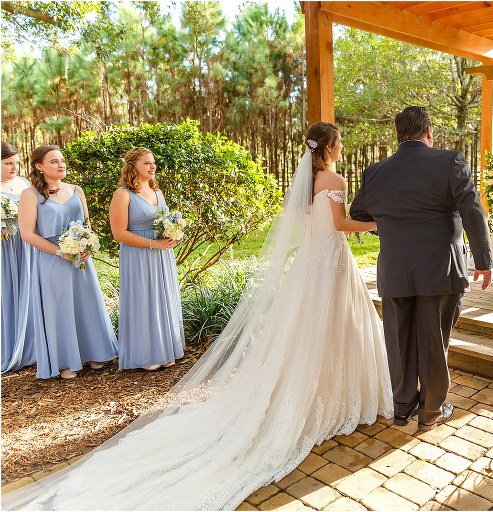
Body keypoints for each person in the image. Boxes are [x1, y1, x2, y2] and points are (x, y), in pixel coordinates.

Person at [3, 123, 393, 509]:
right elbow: (340, 224)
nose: (343, 147)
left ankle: (317, 388)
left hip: (313, 261)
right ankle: (335, 391)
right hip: (332, 259)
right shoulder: (334, 178)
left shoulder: (307, 180)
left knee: (310, 326)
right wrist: (379, 223)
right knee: (335, 323)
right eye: (340, 142)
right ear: (330, 146)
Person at [350, 106, 493, 431]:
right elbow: (471, 209)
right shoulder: (450, 161)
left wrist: (390, 228)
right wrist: (483, 261)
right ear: (429, 131)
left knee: (397, 342)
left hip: (394, 269)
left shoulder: (376, 172)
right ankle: (430, 410)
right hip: (439, 269)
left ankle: (402, 408)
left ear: (398, 135)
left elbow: (358, 214)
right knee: (433, 339)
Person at [17, 145, 117, 380]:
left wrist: (88, 247)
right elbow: (28, 235)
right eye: (54, 161)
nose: (61, 164)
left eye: (62, 160)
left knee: (86, 302)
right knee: (59, 308)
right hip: (52, 260)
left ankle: (94, 351)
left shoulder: (76, 190)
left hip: (80, 259)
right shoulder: (30, 195)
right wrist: (60, 252)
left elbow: (87, 224)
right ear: (39, 167)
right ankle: (65, 360)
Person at [109, 148, 184, 371]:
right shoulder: (122, 194)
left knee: (162, 298)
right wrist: (154, 244)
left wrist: (173, 233)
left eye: (153, 163)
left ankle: (164, 349)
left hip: (162, 255)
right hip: (138, 255)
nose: (152, 167)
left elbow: (164, 220)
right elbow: (119, 233)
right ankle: (145, 354)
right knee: (143, 299)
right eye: (146, 163)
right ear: (133, 166)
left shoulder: (156, 191)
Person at [1, 142, 36, 373]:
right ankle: (9, 344)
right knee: (7, 294)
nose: (14, 168)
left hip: (26, 246)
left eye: (16, 163)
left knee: (30, 290)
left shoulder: (24, 184)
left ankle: (32, 345)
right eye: (7, 163)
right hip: (4, 250)